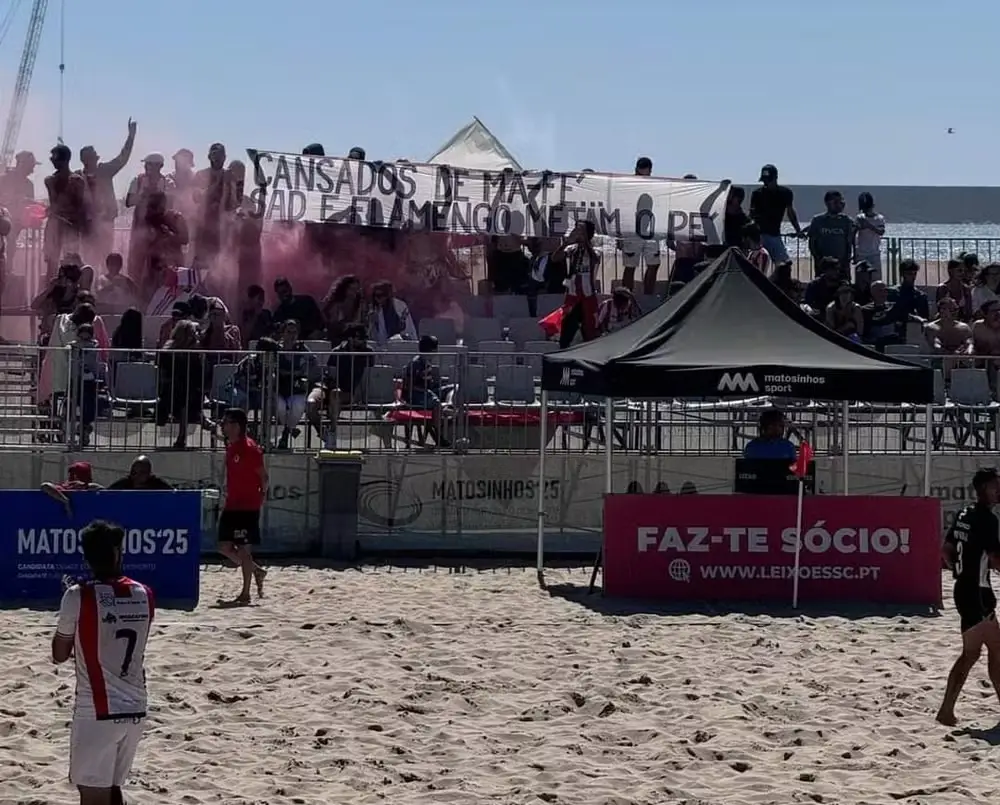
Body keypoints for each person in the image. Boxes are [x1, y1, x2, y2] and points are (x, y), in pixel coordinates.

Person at [52, 519, 154, 805]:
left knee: (93, 795)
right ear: (119, 553)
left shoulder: (77, 596)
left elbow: (59, 655)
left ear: (85, 556)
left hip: (96, 710)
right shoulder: (144, 594)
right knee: (113, 790)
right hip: (136, 707)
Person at [937, 468, 1000, 726]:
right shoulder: (987, 519)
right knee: (989, 650)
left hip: (965, 589)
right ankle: (945, 710)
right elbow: (996, 560)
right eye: (996, 486)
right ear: (984, 488)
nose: (999, 490)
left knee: (976, 652)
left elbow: (946, 550)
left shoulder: (964, 513)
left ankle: (946, 710)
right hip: (977, 592)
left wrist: (960, 571)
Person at [218, 408, 267, 605]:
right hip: (232, 504)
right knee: (223, 546)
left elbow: (263, 477)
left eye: (227, 422)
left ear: (237, 426)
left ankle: (245, 594)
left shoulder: (250, 449)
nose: (223, 425)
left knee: (245, 550)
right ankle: (255, 570)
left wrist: (260, 498)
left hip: (247, 507)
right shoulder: (231, 446)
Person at [78, 118, 137, 267]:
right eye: (90, 157)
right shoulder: (78, 177)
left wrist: (131, 137)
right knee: (88, 261)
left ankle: (103, 286)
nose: (92, 160)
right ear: (85, 160)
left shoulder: (104, 171)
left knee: (105, 260)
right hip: (87, 225)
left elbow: (122, 158)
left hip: (105, 223)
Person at [551, 220, 601, 349]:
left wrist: (585, 243)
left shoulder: (595, 251)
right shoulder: (572, 249)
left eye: (581, 230)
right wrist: (567, 242)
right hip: (572, 299)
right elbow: (555, 258)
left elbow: (595, 259)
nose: (578, 233)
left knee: (589, 333)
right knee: (566, 332)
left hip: (588, 298)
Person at [749, 164, 805, 266]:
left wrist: (798, 230)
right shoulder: (757, 194)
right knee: (758, 264)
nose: (766, 183)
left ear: (775, 178)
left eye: (769, 180)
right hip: (759, 235)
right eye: (764, 181)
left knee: (784, 264)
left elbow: (790, 212)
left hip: (774, 234)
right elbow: (752, 214)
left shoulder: (785, 193)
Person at [853, 192, 885, 277]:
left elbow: (881, 231)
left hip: (874, 253)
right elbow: (854, 233)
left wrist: (868, 225)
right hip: (861, 253)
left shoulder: (879, 218)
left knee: (876, 277)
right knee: (861, 278)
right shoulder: (859, 217)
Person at [108, 455, 173, 490]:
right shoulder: (125, 483)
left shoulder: (157, 483)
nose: (136, 476)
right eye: (133, 472)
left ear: (149, 474)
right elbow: (106, 493)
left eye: (141, 473)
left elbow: (175, 494)